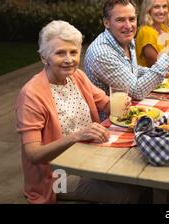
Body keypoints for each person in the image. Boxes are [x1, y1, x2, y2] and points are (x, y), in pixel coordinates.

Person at [16, 20, 147, 203]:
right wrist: (76, 137)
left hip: (90, 155)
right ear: (44, 58)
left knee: (140, 170)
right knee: (127, 192)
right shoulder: (31, 95)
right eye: (60, 53)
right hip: (57, 175)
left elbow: (106, 104)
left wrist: (121, 104)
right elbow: (34, 154)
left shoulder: (77, 76)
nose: (69, 59)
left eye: (73, 52)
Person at [85, 0, 169, 110]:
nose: (128, 26)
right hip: (112, 122)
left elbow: (131, 70)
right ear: (106, 23)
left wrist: (159, 70)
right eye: (120, 20)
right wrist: (166, 59)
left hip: (133, 108)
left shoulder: (126, 39)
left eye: (131, 19)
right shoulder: (102, 53)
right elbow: (137, 91)